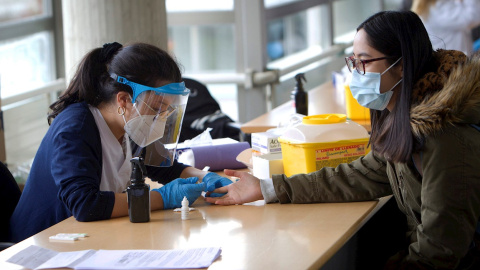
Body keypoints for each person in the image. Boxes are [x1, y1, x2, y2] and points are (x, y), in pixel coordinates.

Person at [206, 11, 480, 270]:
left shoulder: (445, 138)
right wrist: (268, 189)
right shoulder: (405, 118)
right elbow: (359, 174)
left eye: (364, 61)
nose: (356, 72)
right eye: (353, 61)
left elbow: (440, 250)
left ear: (401, 67)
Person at [8, 42, 232, 242]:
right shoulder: (76, 128)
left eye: (166, 110)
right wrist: (161, 198)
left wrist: (207, 178)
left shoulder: (129, 124)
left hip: (87, 240)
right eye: (156, 108)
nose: (161, 118)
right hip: (42, 247)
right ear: (123, 99)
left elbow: (164, 168)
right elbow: (85, 205)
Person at [411, 0, 480, 56]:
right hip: (454, 63)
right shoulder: (438, 9)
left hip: (455, 60)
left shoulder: (435, 5)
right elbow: (474, 16)